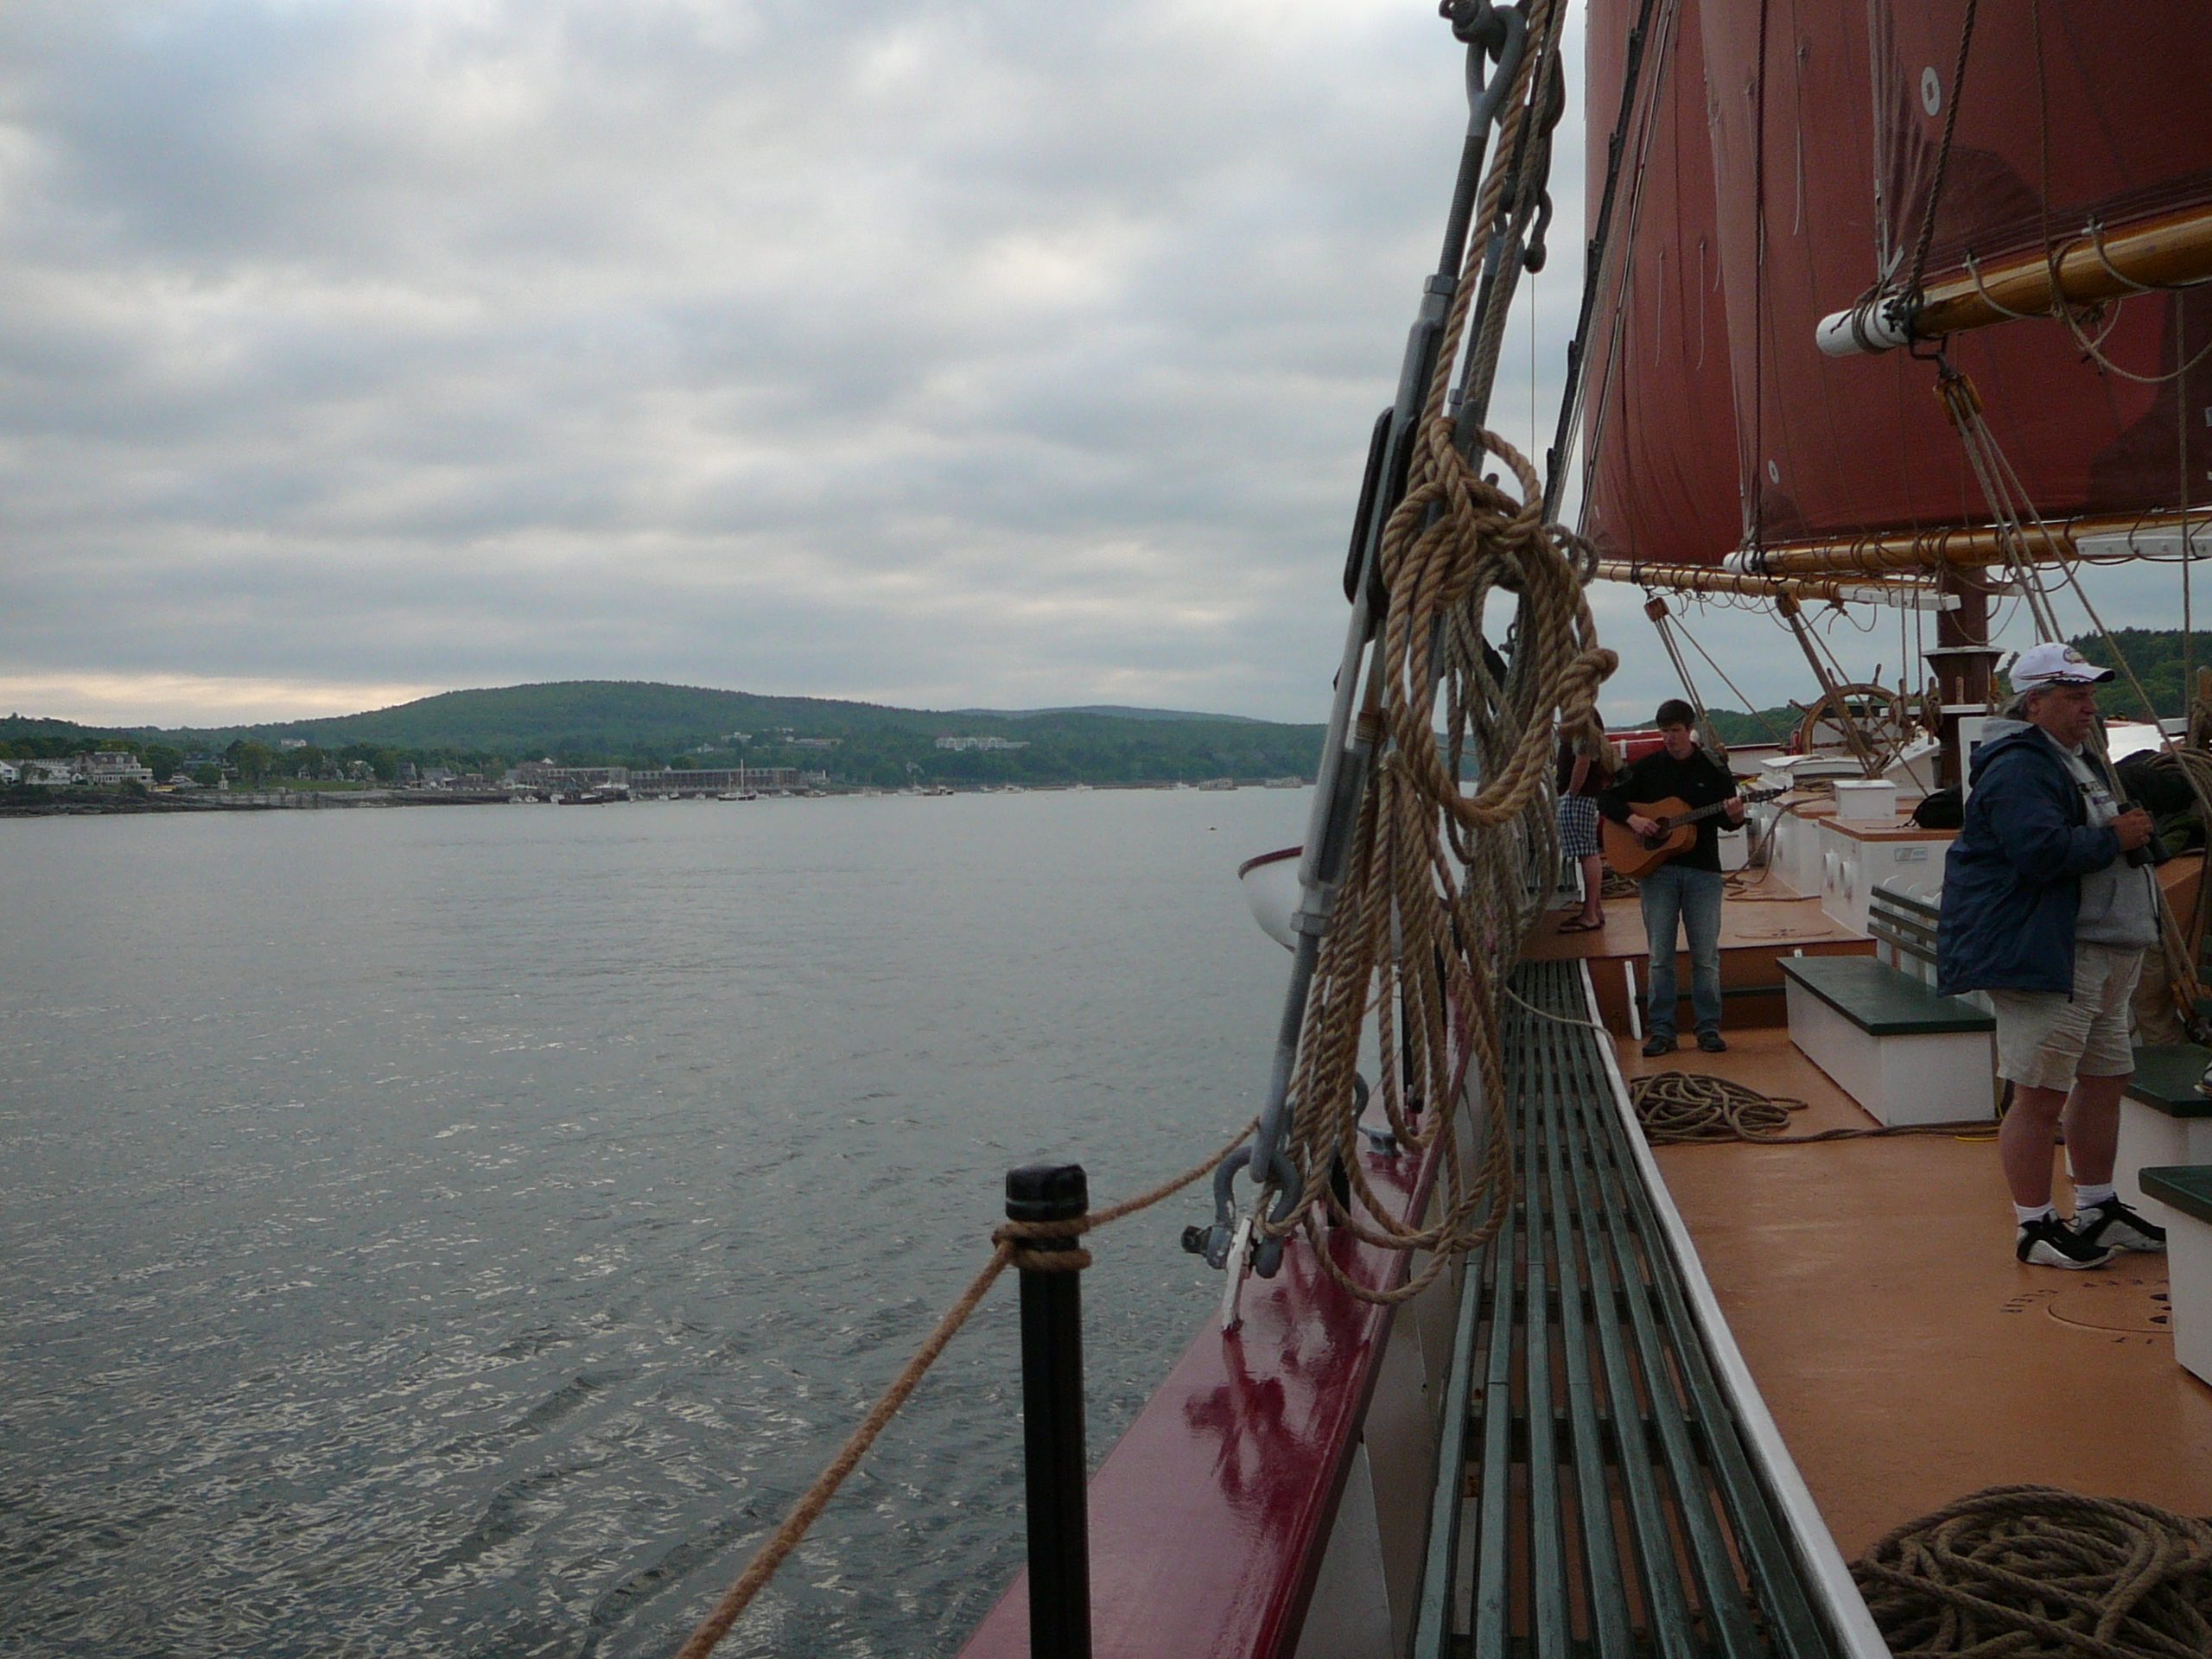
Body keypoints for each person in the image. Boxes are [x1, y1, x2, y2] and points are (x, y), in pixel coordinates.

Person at [1935, 641, 2168, 1269]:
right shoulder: (2018, 766)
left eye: (2089, 695)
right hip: (2053, 956)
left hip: (2101, 951)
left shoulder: (2073, 758)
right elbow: (2038, 852)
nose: (2088, 707)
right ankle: (2034, 1225)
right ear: (2034, 703)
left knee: (2105, 1079)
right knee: (2038, 1093)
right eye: (2073, 696)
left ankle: (2096, 1207)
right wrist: (2113, 837)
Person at [1598, 700, 1743, 1056]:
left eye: (1675, 731)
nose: (1669, 738)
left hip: (1703, 871)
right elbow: (1606, 800)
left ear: (1689, 730)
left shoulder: (1712, 768)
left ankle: (1708, 1029)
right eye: (1664, 731)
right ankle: (1662, 1031)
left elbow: (1727, 821)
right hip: (1657, 872)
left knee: (1705, 956)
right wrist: (1633, 820)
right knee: (1660, 956)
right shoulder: (1647, 768)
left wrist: (1737, 816)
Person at [1555, 735, 1611, 933]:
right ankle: (1595, 910)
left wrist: (1572, 793)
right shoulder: (1582, 721)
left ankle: (1590, 915)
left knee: (1587, 853)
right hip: (1583, 795)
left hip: (1579, 796)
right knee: (1586, 852)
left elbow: (1583, 758)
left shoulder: (1581, 722)